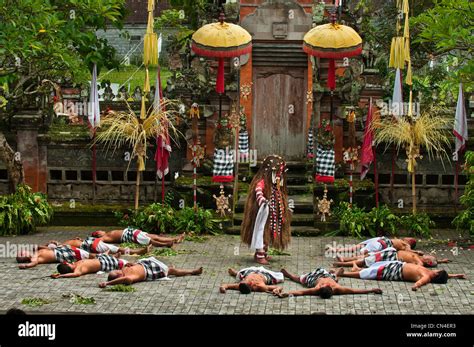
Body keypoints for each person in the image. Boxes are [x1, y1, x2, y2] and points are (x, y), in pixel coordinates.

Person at [240, 155, 291, 264]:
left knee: (269, 232)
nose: (279, 176)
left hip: (272, 213)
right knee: (261, 231)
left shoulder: (275, 184)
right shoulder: (262, 182)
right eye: (277, 173)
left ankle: (263, 252)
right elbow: (258, 190)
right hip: (264, 212)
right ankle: (260, 254)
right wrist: (262, 200)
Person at [338, 261, 466, 291]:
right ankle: (357, 267)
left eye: (438, 271)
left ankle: (346, 274)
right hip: (399, 264)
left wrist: (416, 286)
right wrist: (456, 275)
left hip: (396, 273)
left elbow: (420, 283)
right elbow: (447, 276)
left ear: (436, 275)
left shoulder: (427, 277)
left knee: (371, 273)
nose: (436, 270)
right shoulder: (431, 273)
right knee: (376, 266)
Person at [275, 267, 382, 298]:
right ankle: (337, 274)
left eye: (326, 284)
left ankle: (289, 275)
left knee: (300, 279)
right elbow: (355, 291)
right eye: (328, 285)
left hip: (313, 278)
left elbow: (302, 292)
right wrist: (371, 290)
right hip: (327, 275)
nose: (327, 284)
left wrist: (287, 293)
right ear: (332, 288)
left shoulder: (317, 288)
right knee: (334, 278)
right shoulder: (337, 288)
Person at [98, 257, 202, 287]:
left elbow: (129, 264)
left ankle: (171, 268)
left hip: (145, 263)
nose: (118, 271)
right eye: (117, 273)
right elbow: (127, 280)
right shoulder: (128, 277)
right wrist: (107, 283)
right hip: (149, 272)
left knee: (169, 268)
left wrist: (132, 263)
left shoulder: (124, 269)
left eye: (116, 271)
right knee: (171, 270)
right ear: (118, 278)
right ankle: (192, 271)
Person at [333, 247, 450, 268]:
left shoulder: (419, 262)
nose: (428, 255)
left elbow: (419, 267)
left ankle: (342, 264)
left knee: (366, 261)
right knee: (368, 256)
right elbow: (433, 261)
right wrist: (441, 260)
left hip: (392, 258)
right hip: (392, 252)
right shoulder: (420, 256)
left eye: (429, 257)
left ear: (428, 262)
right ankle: (344, 259)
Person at [41, 237, 150, 255]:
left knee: (114, 248)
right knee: (115, 249)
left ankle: (137, 251)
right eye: (53, 243)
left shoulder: (64, 242)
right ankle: (137, 251)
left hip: (92, 242)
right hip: (92, 246)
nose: (54, 241)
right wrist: (44, 246)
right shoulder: (62, 247)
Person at [51, 254, 129, 279]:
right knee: (125, 264)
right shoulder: (78, 269)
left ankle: (115, 256)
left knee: (101, 254)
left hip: (102, 259)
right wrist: (60, 275)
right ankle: (125, 265)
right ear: (66, 264)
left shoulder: (76, 264)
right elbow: (76, 274)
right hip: (106, 264)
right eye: (67, 263)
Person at [91, 228, 185, 248]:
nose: (101, 231)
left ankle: (175, 239)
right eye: (99, 232)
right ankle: (166, 244)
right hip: (130, 236)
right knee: (150, 241)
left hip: (133, 232)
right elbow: (97, 241)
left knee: (155, 236)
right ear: (98, 234)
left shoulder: (107, 233)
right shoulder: (105, 237)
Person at [16, 246, 94, 269]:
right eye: (22, 252)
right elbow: (34, 263)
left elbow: (49, 249)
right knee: (86, 255)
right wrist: (25, 266)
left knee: (85, 253)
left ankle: (100, 255)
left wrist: (39, 246)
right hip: (60, 255)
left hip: (59, 250)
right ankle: (100, 257)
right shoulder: (33, 257)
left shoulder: (36, 252)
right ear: (24, 256)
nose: (24, 250)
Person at [219, 267, 284, 294]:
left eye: (244, 280)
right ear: (251, 283)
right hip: (265, 274)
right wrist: (277, 289)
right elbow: (279, 287)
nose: (244, 280)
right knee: (280, 277)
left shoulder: (240, 285)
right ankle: (287, 274)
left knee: (240, 275)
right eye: (246, 280)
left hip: (250, 271)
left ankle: (235, 273)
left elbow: (226, 285)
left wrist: (222, 288)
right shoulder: (260, 286)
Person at [327, 236, 419, 255]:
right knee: (357, 246)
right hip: (380, 239)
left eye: (408, 238)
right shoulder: (401, 240)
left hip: (383, 244)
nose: (406, 237)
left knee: (363, 252)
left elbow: (409, 251)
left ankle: (346, 260)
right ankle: (336, 250)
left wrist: (417, 252)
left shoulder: (406, 244)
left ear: (410, 241)